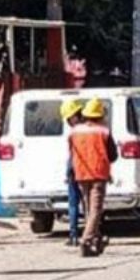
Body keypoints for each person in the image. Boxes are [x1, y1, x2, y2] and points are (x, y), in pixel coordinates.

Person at [68, 98, 117, 257]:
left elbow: (71, 152)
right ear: (100, 115)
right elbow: (113, 155)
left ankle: (95, 240)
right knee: (96, 209)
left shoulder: (75, 131)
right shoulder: (104, 131)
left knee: (89, 208)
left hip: (81, 173)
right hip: (98, 174)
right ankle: (86, 240)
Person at [61, 99, 85, 247]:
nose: (68, 122)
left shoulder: (75, 133)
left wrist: (69, 171)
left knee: (74, 203)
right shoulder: (92, 129)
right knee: (86, 204)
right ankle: (89, 233)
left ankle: (74, 235)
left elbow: (73, 154)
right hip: (86, 172)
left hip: (77, 170)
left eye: (69, 119)